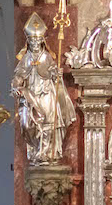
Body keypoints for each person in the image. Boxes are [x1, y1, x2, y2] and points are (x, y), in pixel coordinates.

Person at [12, 13, 77, 165]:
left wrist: (56, 74)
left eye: (37, 39)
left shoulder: (47, 57)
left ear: (42, 40)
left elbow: (53, 72)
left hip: (46, 93)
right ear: (28, 41)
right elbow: (19, 75)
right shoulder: (26, 58)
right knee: (27, 124)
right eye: (32, 39)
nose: (35, 42)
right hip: (31, 96)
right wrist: (16, 84)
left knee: (48, 122)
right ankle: (35, 150)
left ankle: (46, 153)